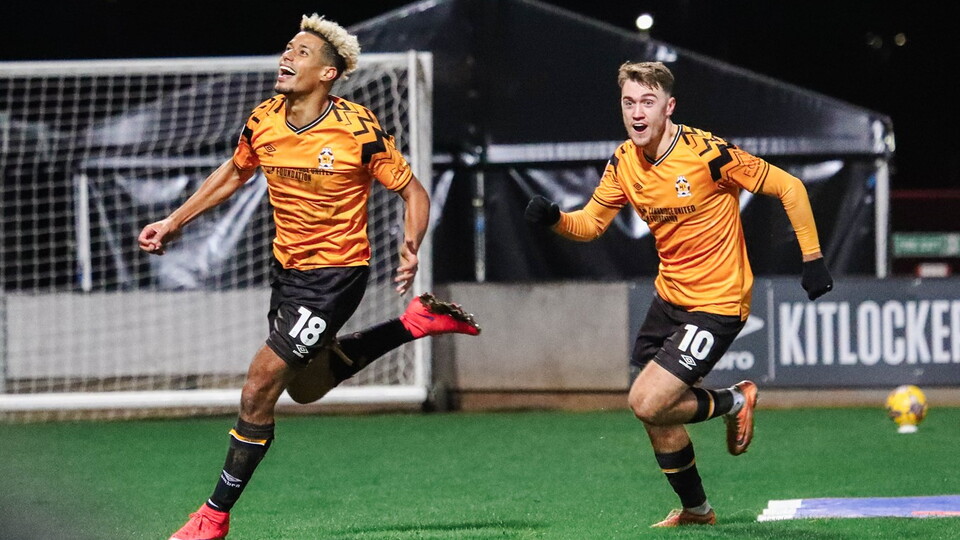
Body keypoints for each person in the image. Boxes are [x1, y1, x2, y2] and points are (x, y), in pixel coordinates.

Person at [138, 14, 481, 540]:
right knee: (306, 387)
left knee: (259, 386)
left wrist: (411, 244)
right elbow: (234, 171)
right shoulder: (264, 120)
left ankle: (213, 515)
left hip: (336, 276)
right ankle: (413, 323)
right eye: (288, 48)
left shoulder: (358, 129)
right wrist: (173, 221)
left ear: (327, 74)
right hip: (288, 273)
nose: (287, 57)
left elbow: (412, 191)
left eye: (301, 52)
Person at [524, 61, 833, 527]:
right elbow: (590, 224)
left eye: (647, 102)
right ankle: (697, 511)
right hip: (669, 297)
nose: (637, 112)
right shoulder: (623, 161)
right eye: (629, 102)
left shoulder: (709, 154)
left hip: (719, 301)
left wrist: (812, 258)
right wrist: (556, 220)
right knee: (655, 413)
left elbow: (789, 187)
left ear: (668, 107)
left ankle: (734, 400)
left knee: (647, 401)